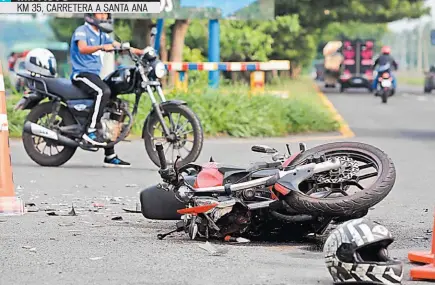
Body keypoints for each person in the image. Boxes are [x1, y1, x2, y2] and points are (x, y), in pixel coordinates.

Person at [70, 13, 145, 168]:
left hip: (94, 76)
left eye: (106, 13)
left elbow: (119, 46)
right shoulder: (82, 30)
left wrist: (142, 52)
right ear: (91, 14)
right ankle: (90, 130)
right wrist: (102, 47)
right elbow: (82, 48)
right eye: (101, 12)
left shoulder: (102, 35)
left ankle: (110, 155)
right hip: (81, 74)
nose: (104, 15)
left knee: (112, 106)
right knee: (102, 91)